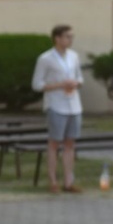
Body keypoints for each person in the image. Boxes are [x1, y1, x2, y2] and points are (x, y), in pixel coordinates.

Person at [32, 24, 84, 194]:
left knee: (70, 144)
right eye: (67, 36)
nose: (70, 40)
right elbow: (37, 84)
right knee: (54, 143)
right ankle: (52, 180)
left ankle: (69, 181)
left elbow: (79, 77)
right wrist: (60, 85)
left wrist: (76, 83)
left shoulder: (74, 56)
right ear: (57, 38)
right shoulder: (45, 58)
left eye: (71, 37)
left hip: (73, 105)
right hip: (56, 105)